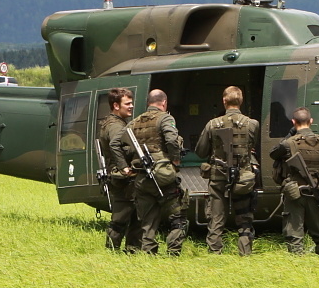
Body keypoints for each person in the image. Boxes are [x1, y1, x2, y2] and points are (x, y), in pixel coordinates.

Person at [122, 89, 188, 256]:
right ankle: (173, 252)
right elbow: (172, 139)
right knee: (178, 216)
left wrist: (128, 164)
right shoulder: (165, 118)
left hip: (142, 177)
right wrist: (175, 159)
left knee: (147, 221)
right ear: (164, 103)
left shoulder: (134, 122)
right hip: (163, 175)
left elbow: (121, 143)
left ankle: (148, 253)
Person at [195, 86, 260, 256]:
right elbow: (251, 146)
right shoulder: (252, 124)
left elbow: (200, 151)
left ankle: (215, 253)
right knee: (245, 219)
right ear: (241, 101)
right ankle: (245, 253)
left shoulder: (212, 124)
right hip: (243, 177)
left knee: (216, 219)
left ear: (224, 101)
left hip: (218, 177)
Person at [270, 107, 319, 256]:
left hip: (295, 191)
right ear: (311, 121)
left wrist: (289, 135)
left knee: (294, 233)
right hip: (316, 189)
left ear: (293, 122)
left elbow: (273, 153)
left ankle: (297, 262)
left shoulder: (288, 143)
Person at [97, 88, 141, 253]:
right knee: (122, 218)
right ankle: (118, 251)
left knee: (130, 215)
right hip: (123, 180)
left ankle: (130, 251)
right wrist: (124, 167)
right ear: (116, 105)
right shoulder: (116, 126)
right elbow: (115, 144)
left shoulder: (111, 122)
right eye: (127, 103)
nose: (131, 106)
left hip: (119, 177)